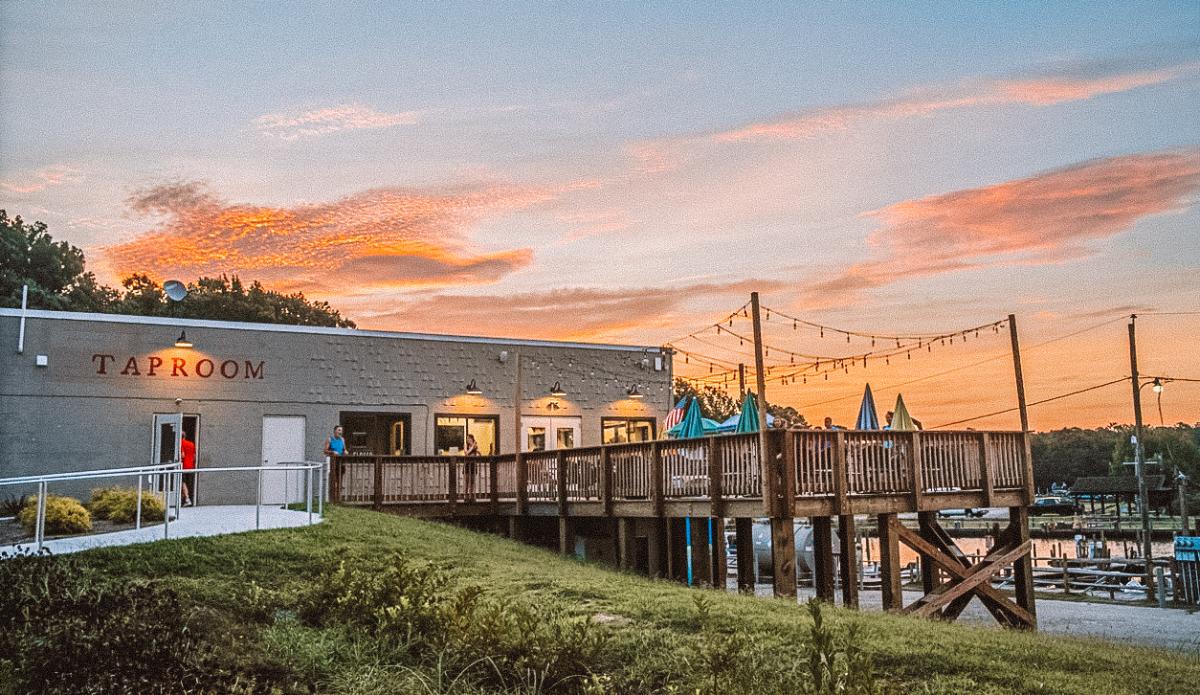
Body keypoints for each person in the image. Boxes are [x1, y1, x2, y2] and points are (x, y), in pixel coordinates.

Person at [180, 432, 197, 507]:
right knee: (187, 483)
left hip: (183, 466)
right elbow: (194, 456)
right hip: (191, 466)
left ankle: (187, 499)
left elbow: (182, 455)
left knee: (183, 482)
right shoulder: (191, 444)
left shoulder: (180, 443)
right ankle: (182, 500)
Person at [463, 433, 480, 501]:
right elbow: (466, 453)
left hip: (473, 464)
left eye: (469, 438)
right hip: (467, 464)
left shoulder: (475, 446)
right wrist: (472, 446)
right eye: (467, 439)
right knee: (466, 481)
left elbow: (477, 453)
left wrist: (474, 447)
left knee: (472, 482)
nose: (468, 440)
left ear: (472, 439)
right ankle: (466, 496)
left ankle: (471, 496)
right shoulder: (466, 445)